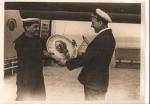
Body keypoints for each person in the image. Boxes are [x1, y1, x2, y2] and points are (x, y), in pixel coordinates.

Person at [64, 8, 116, 100]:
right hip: (100, 83)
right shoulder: (108, 37)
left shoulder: (102, 39)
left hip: (93, 84)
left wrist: (66, 63)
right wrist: (89, 45)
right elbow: (97, 55)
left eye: (93, 23)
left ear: (100, 23)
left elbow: (87, 59)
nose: (91, 25)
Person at [14, 18, 46, 101]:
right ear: (27, 28)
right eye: (35, 27)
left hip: (38, 77)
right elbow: (30, 57)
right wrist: (44, 54)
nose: (37, 29)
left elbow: (47, 53)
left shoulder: (39, 40)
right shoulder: (19, 42)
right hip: (25, 78)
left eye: (38, 27)